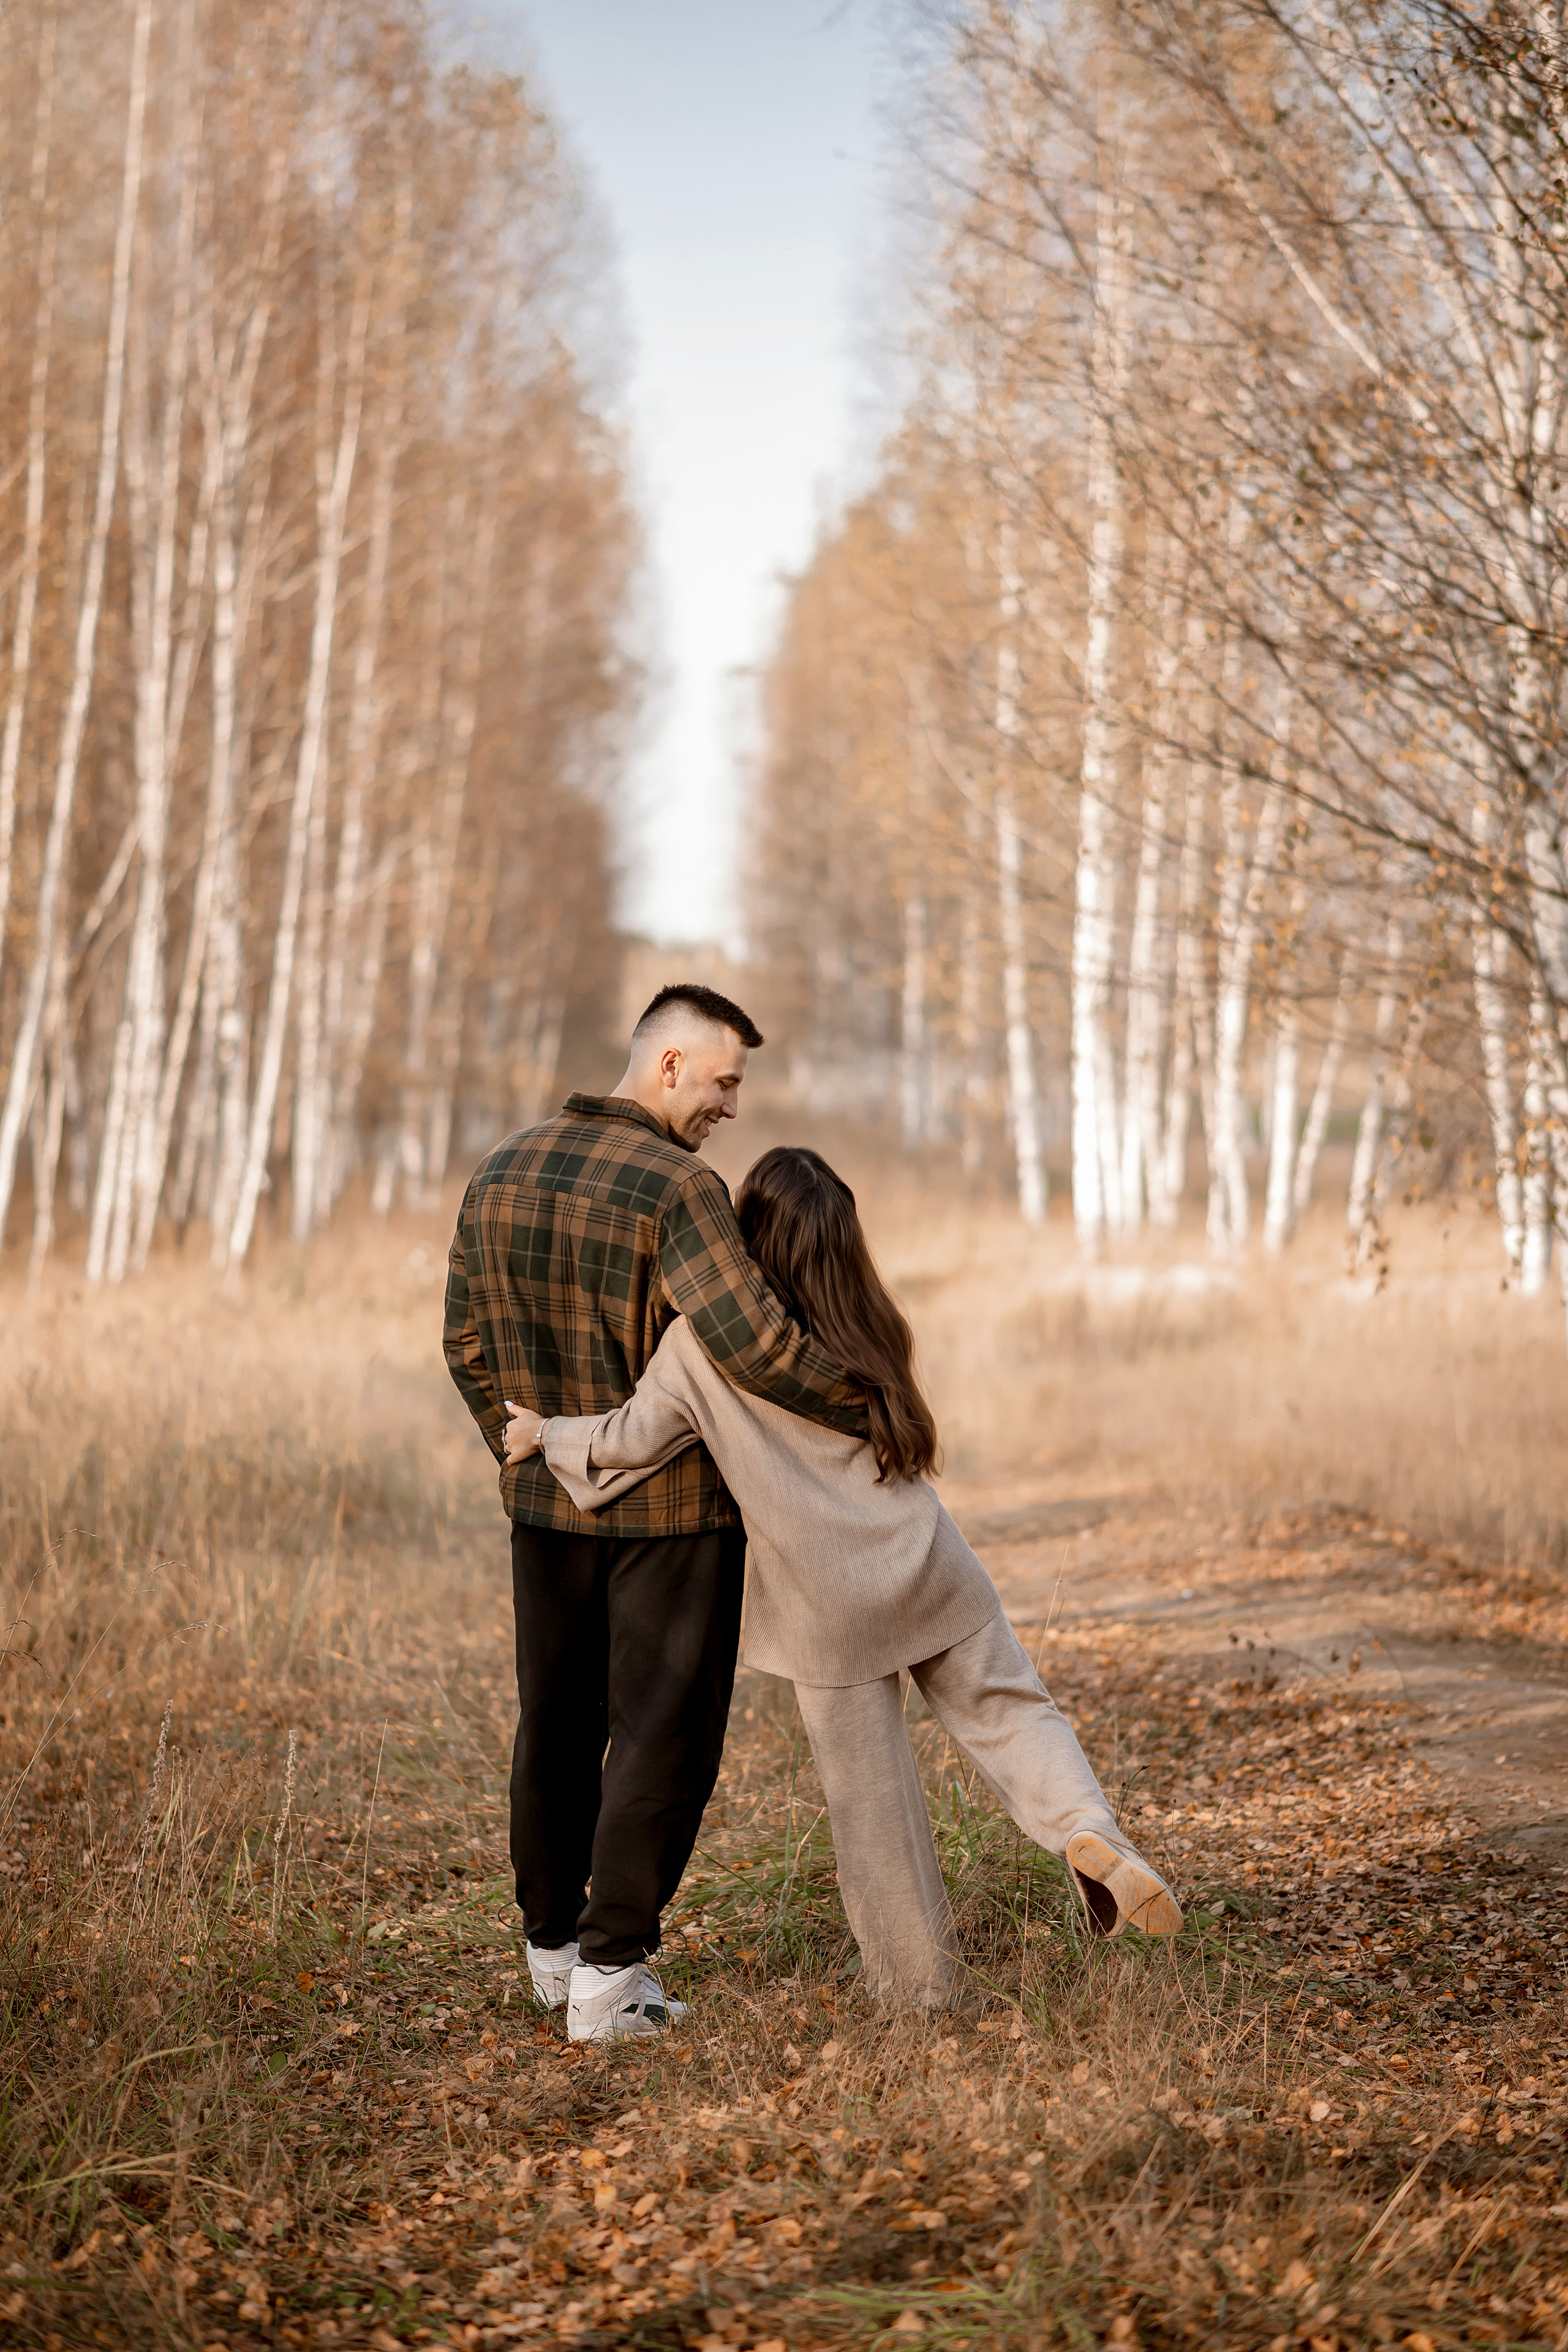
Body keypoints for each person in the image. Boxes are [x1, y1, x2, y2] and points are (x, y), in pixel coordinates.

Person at [506, 1144, 1182, 2013]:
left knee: (873, 1807)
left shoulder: (700, 1347)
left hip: (829, 1610)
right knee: (1015, 1714)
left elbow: (631, 1443)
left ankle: (919, 1992)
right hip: (930, 1565)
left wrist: (548, 1435)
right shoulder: (868, 1319)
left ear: (747, 1238)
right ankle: (1092, 1837)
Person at [444, 989, 865, 2045]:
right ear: (670, 1064)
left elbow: (463, 1343)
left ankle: (553, 1955)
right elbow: (756, 1347)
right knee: (660, 1740)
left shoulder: (500, 1166)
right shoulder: (680, 1187)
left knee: (557, 1725)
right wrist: (870, 1402)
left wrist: (523, 1444)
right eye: (725, 1081)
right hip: (669, 1521)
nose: (732, 1104)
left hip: (545, 1511)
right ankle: (611, 1976)